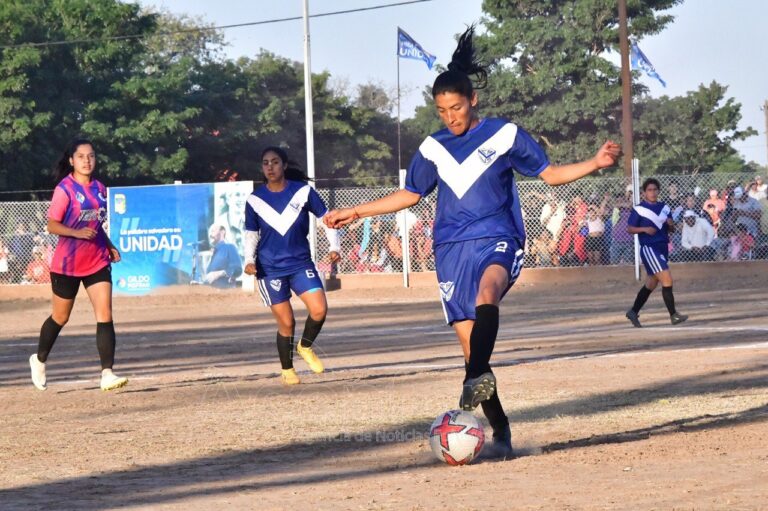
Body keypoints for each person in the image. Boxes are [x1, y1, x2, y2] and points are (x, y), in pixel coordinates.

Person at [323, 26, 620, 459]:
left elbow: (550, 174)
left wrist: (595, 162)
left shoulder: (504, 135)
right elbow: (410, 195)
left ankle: (474, 378)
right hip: (450, 249)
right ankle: (500, 428)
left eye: (457, 107)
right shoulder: (432, 147)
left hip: (498, 236)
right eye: (443, 110)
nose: (451, 117)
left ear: (473, 100)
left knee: (488, 295)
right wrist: (358, 210)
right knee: (470, 347)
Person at [28, 138, 128, 392]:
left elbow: (95, 227)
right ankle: (39, 360)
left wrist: (109, 244)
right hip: (67, 264)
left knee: (105, 314)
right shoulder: (65, 189)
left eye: (91, 156)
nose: (87, 160)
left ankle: (107, 373)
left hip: (96, 260)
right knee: (60, 317)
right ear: (72, 160)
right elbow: (52, 225)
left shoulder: (100, 188)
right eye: (81, 156)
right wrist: (76, 232)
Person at [244, 146, 341, 385]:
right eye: (266, 163)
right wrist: (248, 260)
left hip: (300, 263)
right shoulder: (255, 200)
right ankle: (287, 369)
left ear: (284, 165)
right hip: (270, 269)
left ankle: (305, 346)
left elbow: (326, 219)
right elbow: (251, 234)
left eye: (275, 162)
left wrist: (334, 247)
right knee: (287, 322)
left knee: (319, 309)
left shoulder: (303, 192)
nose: (270, 167)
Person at [625, 178, 688, 328]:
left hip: (662, 247)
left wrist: (671, 225)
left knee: (651, 283)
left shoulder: (664, 207)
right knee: (667, 280)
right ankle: (673, 315)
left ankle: (633, 311)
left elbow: (671, 228)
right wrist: (645, 229)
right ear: (644, 192)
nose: (652, 192)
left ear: (659, 191)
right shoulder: (639, 209)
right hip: (649, 248)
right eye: (649, 190)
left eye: (655, 190)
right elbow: (630, 228)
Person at [203, 223, 243, 288]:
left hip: (226, 294)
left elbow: (238, 269)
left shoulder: (229, 247)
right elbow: (211, 279)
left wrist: (219, 273)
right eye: (209, 232)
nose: (210, 235)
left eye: (213, 231)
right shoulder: (213, 253)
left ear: (222, 232)